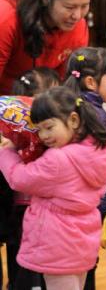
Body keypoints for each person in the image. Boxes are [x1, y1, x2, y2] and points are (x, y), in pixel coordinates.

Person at [0, 86, 106, 290]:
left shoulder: (58, 159)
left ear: (74, 120)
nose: (43, 135)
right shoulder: (97, 150)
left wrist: (7, 151)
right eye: (39, 129)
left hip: (56, 242)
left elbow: (19, 178)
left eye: (49, 127)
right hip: (82, 239)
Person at [64, 46, 106, 290]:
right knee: (85, 260)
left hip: (72, 200)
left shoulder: (69, 105)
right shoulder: (94, 115)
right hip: (92, 200)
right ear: (91, 82)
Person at [5, 67, 60, 290]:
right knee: (25, 268)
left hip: (37, 210)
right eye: (53, 96)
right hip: (23, 210)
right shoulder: (17, 130)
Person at [0, 0, 91, 95]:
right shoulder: (6, 19)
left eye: (84, 6)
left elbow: (68, 85)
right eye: (69, 7)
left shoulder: (78, 27)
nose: (77, 16)